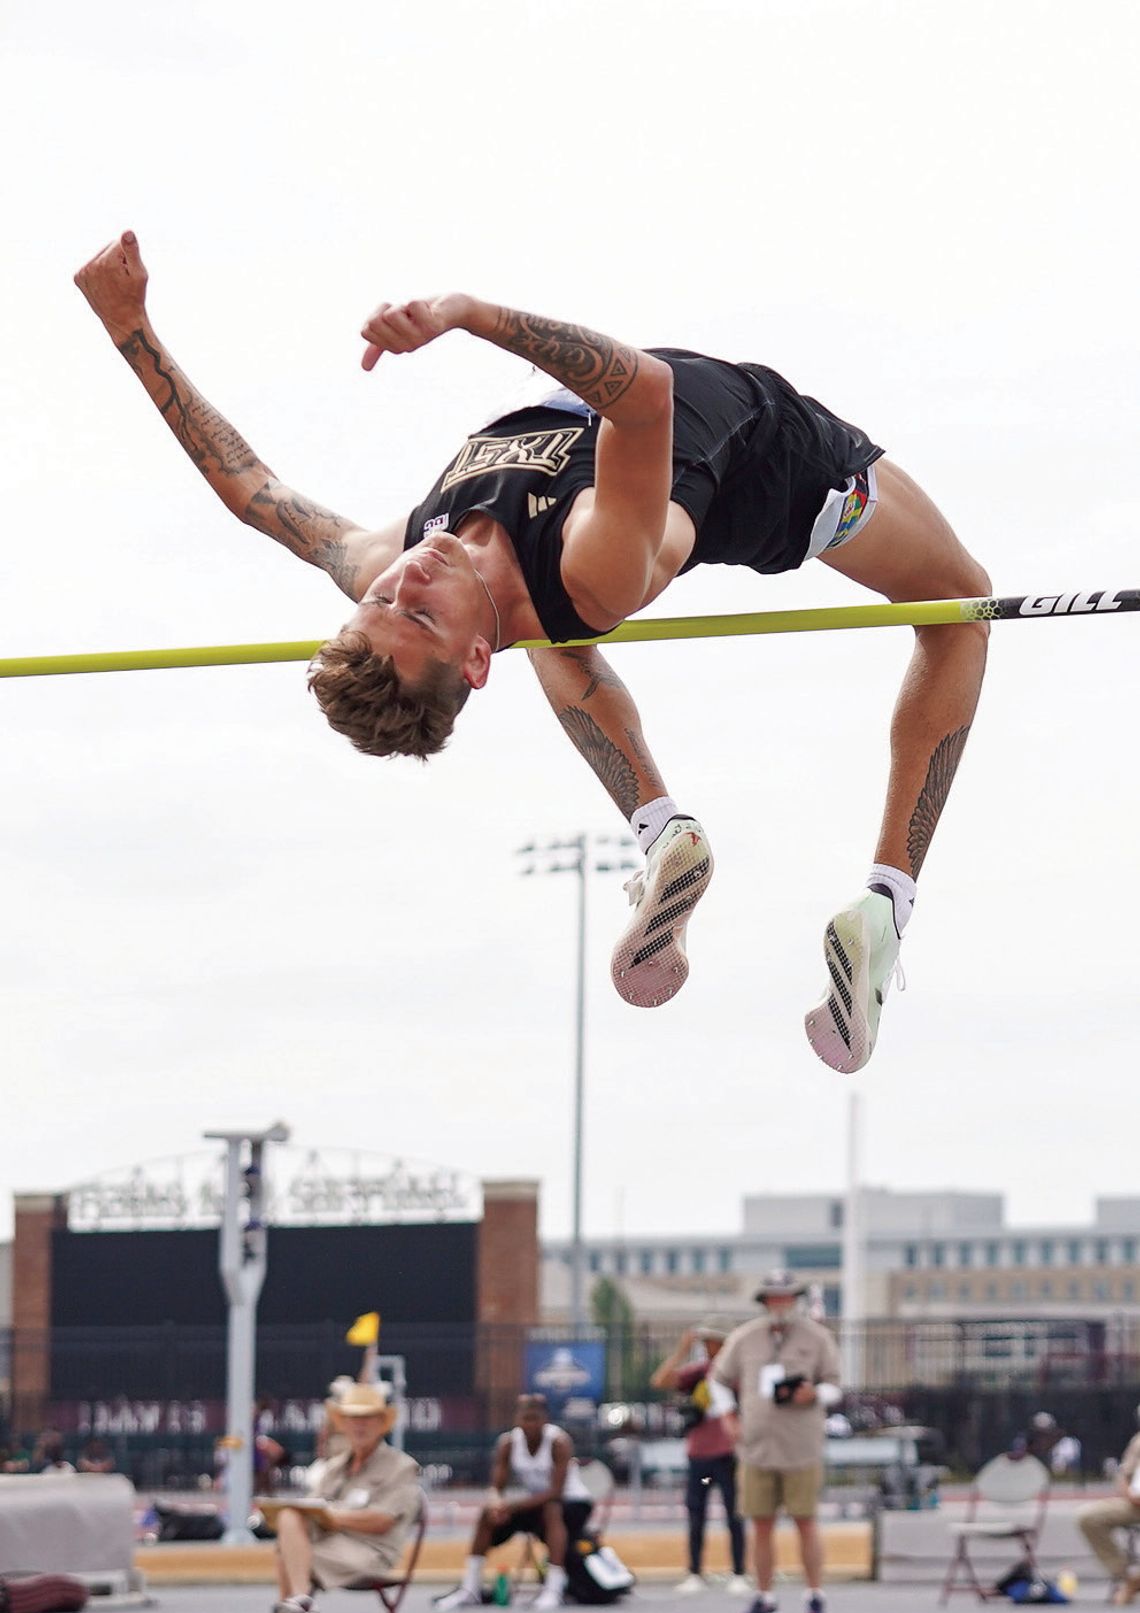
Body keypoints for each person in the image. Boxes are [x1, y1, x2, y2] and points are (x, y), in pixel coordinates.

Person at [74, 234, 992, 1069]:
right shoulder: (592, 565)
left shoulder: (408, 561)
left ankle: (664, 834)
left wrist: (130, 329)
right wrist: (468, 315)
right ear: (476, 661)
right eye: (418, 615)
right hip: (785, 466)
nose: (408, 578)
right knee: (961, 606)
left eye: (383, 600)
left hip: (600, 504)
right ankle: (886, 905)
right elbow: (644, 393)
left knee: (539, 616)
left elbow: (252, 492)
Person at [254, 1381, 420, 1613]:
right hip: (328, 1546)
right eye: (353, 1418)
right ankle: (303, 1602)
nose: (360, 1425)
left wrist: (331, 1518)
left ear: (382, 1423)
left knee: (289, 1556)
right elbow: (309, 1512)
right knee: (290, 1518)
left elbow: (382, 1521)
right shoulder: (333, 1468)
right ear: (342, 1423)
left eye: (367, 1418)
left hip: (371, 1552)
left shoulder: (401, 1467)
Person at [710, 1270, 842, 1613]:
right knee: (761, 1524)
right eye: (774, 1297)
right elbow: (718, 1379)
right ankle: (764, 1596)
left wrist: (815, 1393)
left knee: (805, 1521)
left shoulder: (817, 1337)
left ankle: (814, 1594)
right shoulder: (745, 1337)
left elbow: (835, 1385)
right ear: (765, 1301)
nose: (780, 1303)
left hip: (801, 1446)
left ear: (795, 1300)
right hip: (756, 1446)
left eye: (786, 1297)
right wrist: (728, 1415)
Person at [436, 1394, 592, 1613]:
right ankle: (470, 1588)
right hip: (534, 1505)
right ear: (517, 1419)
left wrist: (512, 1506)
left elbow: (555, 1492)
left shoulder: (558, 1442)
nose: (529, 1424)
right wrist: (496, 1505)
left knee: (552, 1509)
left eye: (534, 1418)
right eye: (525, 1418)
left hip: (573, 1504)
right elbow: (496, 1487)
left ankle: (553, 1590)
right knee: (487, 1514)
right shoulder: (508, 1443)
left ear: (545, 1420)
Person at [649, 1321, 748, 1596]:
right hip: (700, 1455)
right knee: (696, 1513)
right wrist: (681, 1351)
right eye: (705, 1342)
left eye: (712, 1341)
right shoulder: (698, 1373)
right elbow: (660, 1381)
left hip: (729, 1454)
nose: (708, 1346)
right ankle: (695, 1572)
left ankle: (739, 1572)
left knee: (735, 1513)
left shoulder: (736, 1374)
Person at [1077, 1406, 1140, 1606]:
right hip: (1135, 1504)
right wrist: (1129, 1494)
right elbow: (1124, 1475)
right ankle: (1128, 1576)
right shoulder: (1138, 1442)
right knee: (1088, 1517)